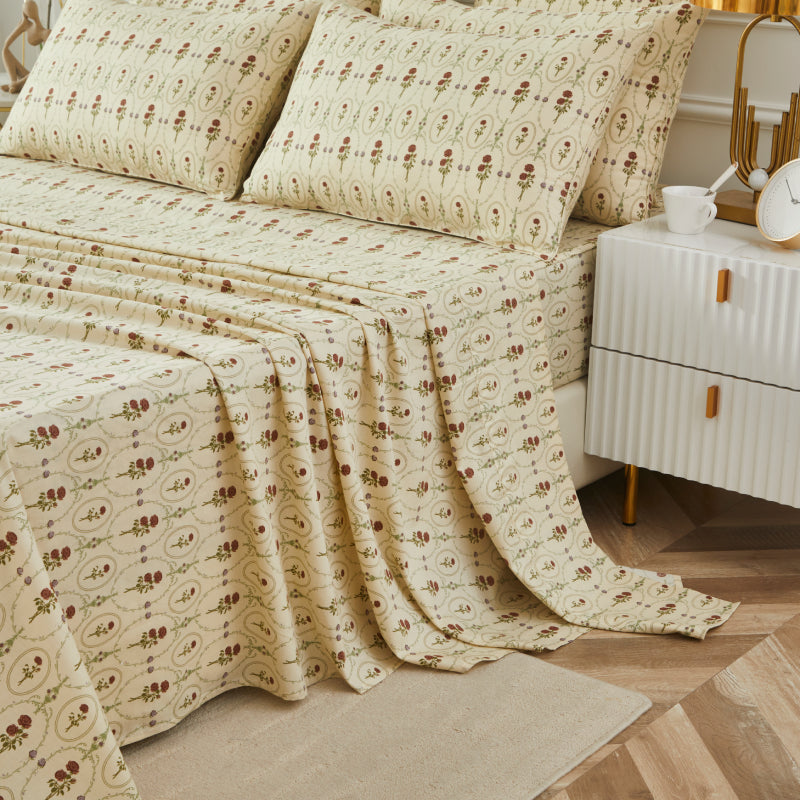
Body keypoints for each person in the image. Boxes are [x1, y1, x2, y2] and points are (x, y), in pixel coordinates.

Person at [2, 1, 50, 95]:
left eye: (30, 9)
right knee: (4, 51)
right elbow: (6, 44)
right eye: (26, 10)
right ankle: (14, 83)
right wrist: (21, 25)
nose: (28, 12)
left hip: (37, 73)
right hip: (27, 76)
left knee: (41, 64)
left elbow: (47, 60)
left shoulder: (45, 32)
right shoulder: (26, 25)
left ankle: (16, 85)